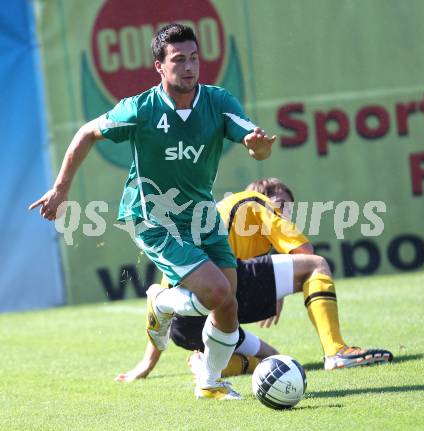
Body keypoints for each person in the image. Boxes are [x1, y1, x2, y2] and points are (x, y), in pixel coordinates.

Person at [29, 24, 276, 400]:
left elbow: (255, 145)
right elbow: (86, 134)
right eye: (178, 59)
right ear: (159, 66)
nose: (189, 66)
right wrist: (61, 189)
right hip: (154, 218)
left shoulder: (218, 101)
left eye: (194, 57)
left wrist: (258, 148)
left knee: (229, 304)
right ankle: (160, 301)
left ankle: (210, 382)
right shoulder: (140, 109)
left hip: (201, 216)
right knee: (215, 292)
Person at [115, 178, 392, 382]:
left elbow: (165, 306)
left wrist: (147, 364)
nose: (284, 215)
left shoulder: (225, 216)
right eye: (282, 206)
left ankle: (209, 364)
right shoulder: (257, 202)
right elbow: (305, 254)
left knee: (273, 358)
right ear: (266, 195)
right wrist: (280, 291)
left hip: (185, 326)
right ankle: (336, 351)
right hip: (215, 298)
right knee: (316, 266)